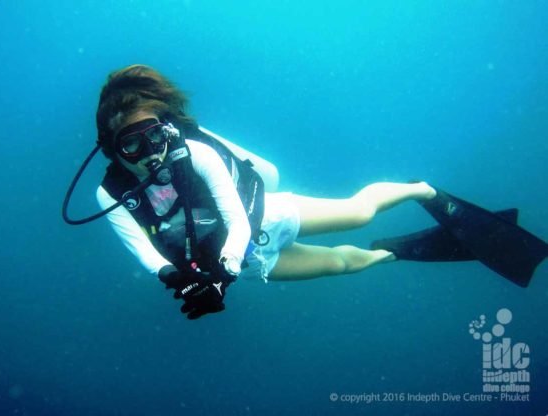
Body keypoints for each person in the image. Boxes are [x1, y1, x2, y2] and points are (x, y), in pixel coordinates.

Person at [87, 64, 546, 320]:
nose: (149, 154)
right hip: (253, 264)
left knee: (359, 213)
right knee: (344, 264)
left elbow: (236, 215)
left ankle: (420, 190)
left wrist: (220, 275)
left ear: (168, 130)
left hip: (266, 219)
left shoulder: (195, 155)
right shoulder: (110, 195)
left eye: (155, 136)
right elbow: (148, 256)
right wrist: (182, 280)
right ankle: (398, 252)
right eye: (131, 144)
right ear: (113, 149)